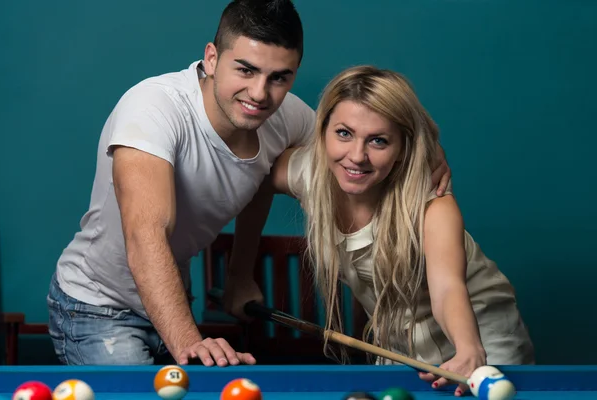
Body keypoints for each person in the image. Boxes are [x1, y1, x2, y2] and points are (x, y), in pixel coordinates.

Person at [46, 0, 453, 367]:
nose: (260, 94)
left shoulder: (286, 117)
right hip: (96, 307)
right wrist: (191, 340)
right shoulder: (152, 109)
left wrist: (426, 147)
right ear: (211, 57)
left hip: (172, 303)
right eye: (245, 69)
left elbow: (360, 140)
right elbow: (145, 235)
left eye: (279, 77)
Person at [269, 65, 534, 396]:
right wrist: (239, 274)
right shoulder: (309, 174)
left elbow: (447, 289)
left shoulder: (433, 205)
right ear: (322, 131)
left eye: (378, 141)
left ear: (402, 148)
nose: (356, 156)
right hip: (397, 347)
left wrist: (469, 349)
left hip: (481, 340)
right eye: (343, 133)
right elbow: (253, 173)